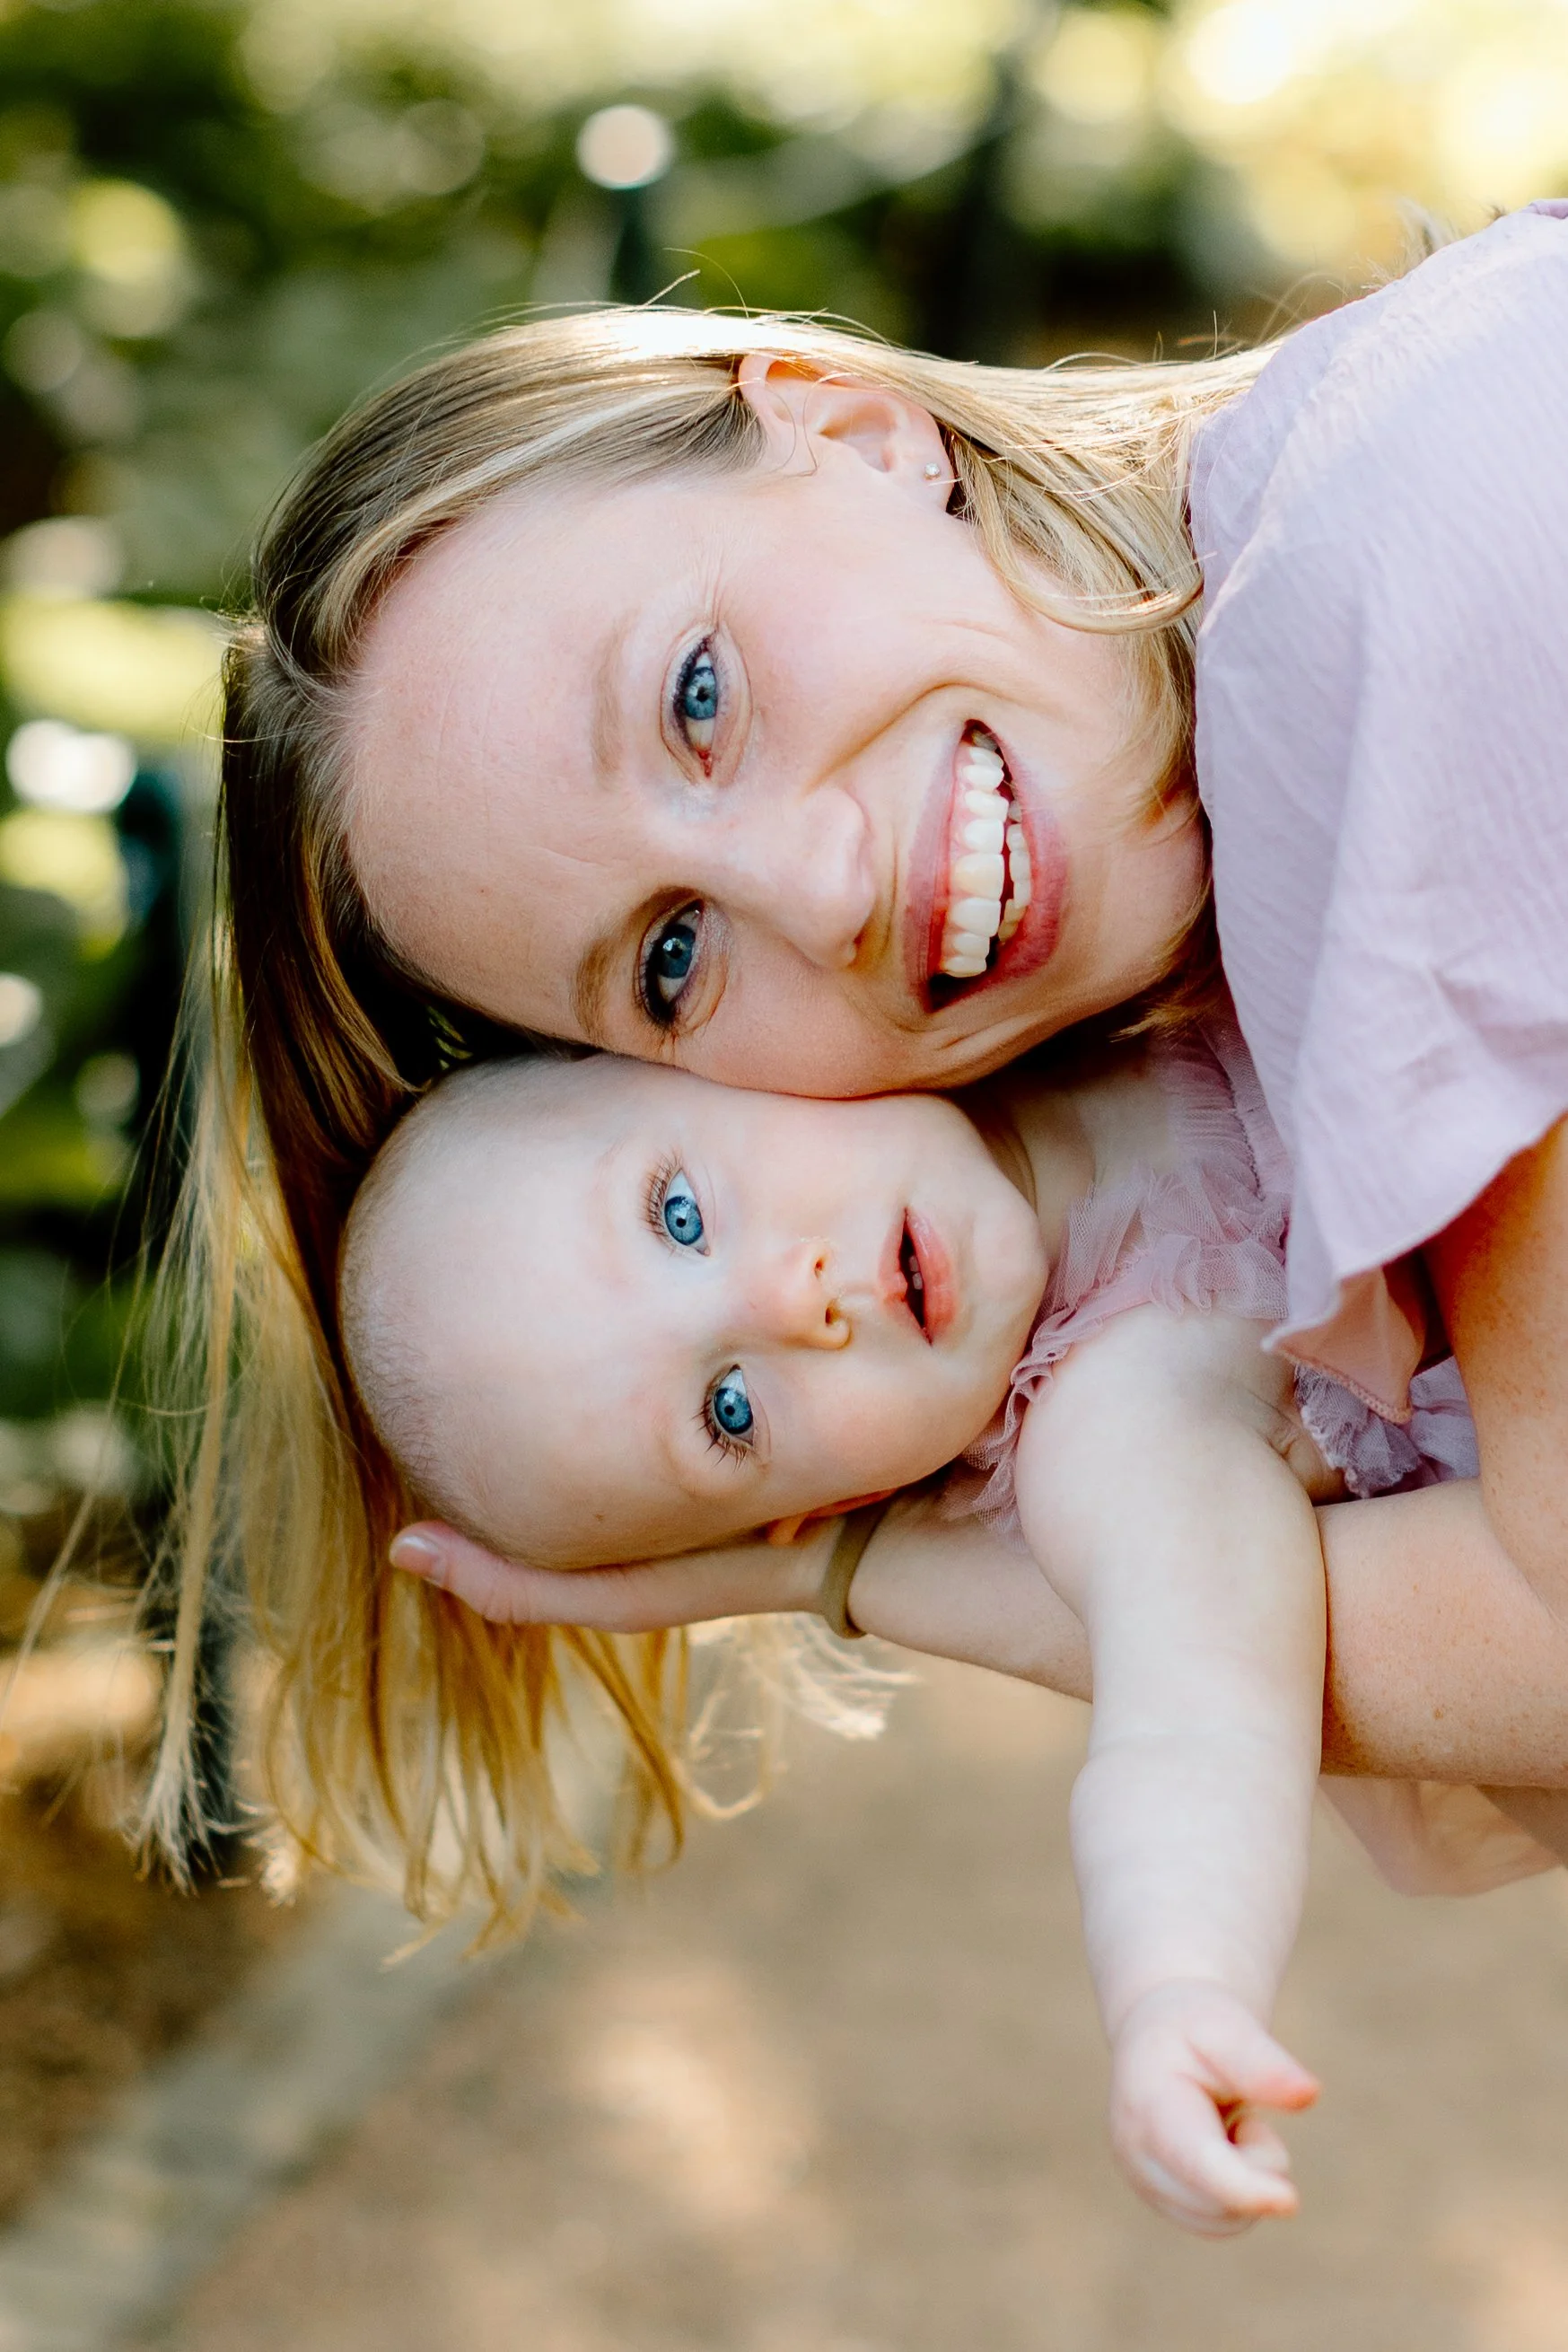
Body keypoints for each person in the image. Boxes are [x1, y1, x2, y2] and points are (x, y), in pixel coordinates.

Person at [145, 203, 1568, 1903]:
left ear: (850, 430)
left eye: (696, 695)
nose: (818, 886)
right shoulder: (1253, 1032)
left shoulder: (1389, 572)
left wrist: (864, 1577)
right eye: (671, 961)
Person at [336, 1031, 1548, 2233]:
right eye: (731, 1408)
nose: (789, 1298)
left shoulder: (1048, 966)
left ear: (687, 1061)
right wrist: (1177, 1984)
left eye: (681, 1215)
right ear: (815, 1506)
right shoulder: (1123, 1422)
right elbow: (1192, 1723)